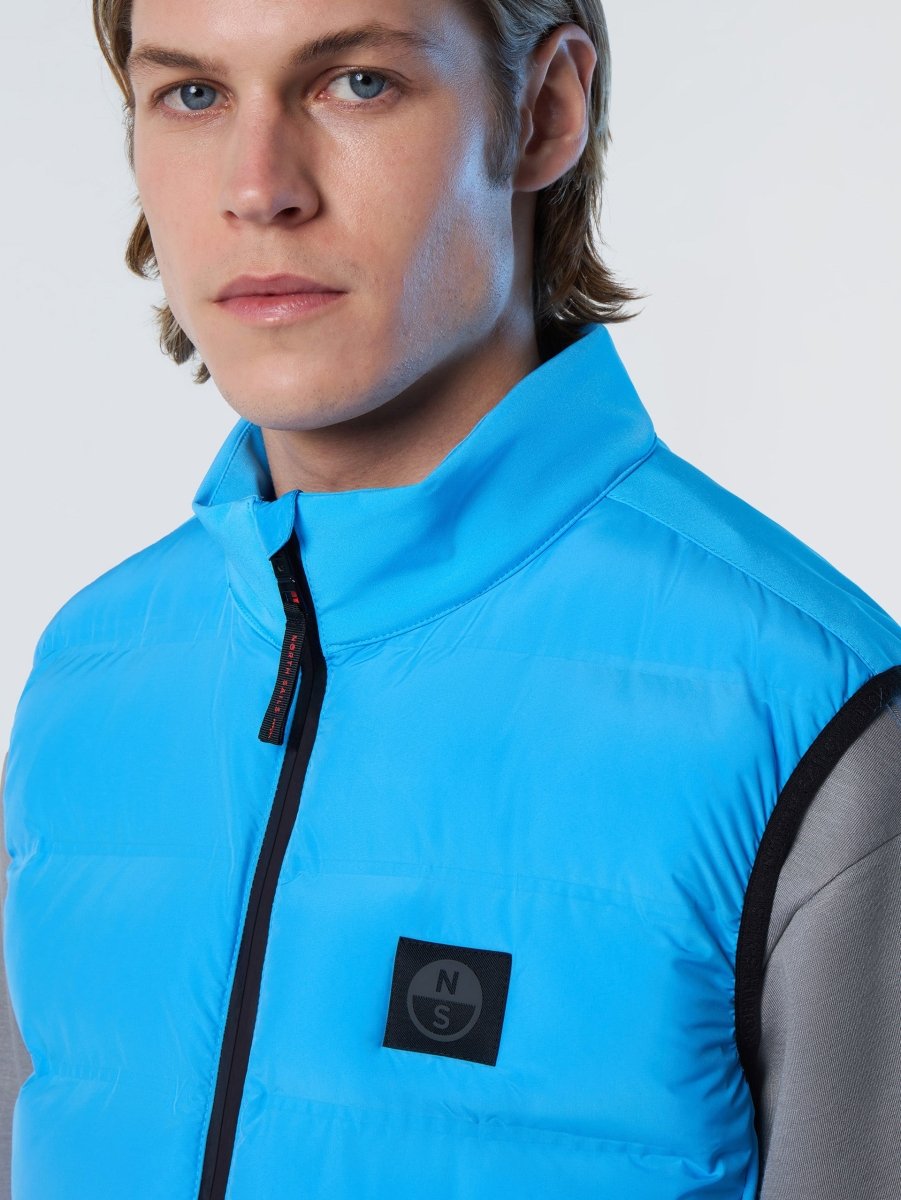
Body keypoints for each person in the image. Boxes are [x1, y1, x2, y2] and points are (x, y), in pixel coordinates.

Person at [1, 0, 899, 1197]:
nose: (257, 188)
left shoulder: (812, 718)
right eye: (193, 94)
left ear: (543, 112)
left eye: (357, 82)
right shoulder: (86, 680)